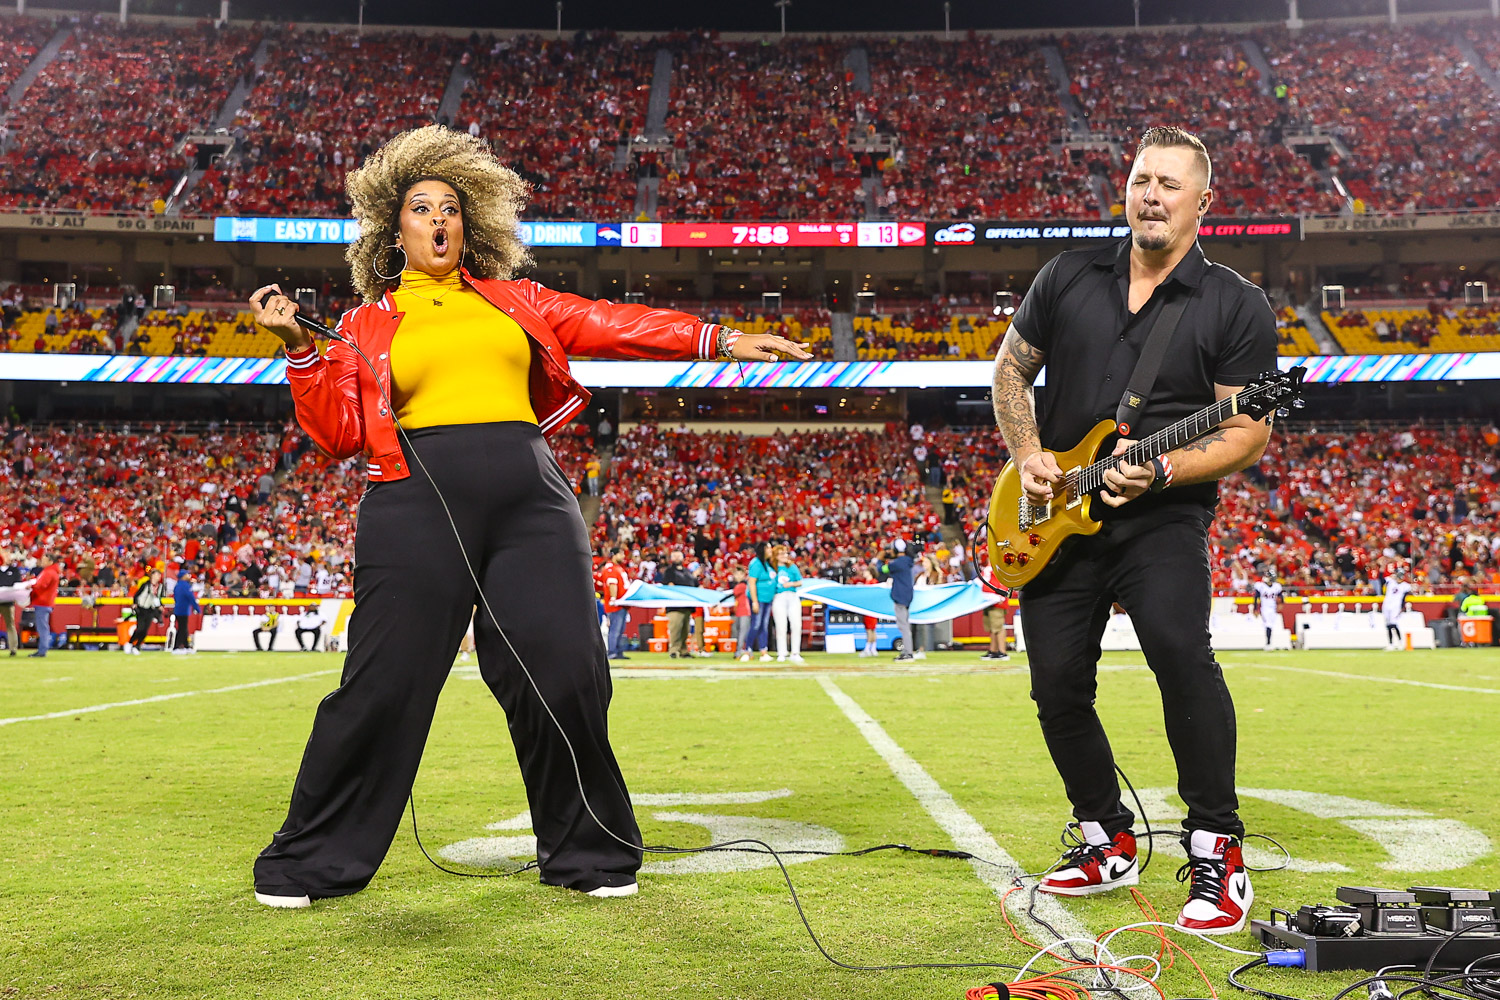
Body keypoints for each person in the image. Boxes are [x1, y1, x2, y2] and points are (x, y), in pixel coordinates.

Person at [247, 125, 811, 908]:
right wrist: (299, 353)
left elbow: (612, 322)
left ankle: (590, 852)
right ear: (393, 228)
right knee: (384, 684)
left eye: (450, 208)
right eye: (421, 208)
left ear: (470, 223)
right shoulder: (359, 327)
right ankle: (310, 862)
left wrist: (715, 336)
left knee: (568, 671)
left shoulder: (519, 301)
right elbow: (341, 433)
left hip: (531, 499)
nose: (438, 220)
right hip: (415, 500)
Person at [991, 126, 1276, 934]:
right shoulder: (1068, 273)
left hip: (1162, 517)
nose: (1151, 194)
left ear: (1203, 203)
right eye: (1141, 179)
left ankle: (1217, 847)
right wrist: (1029, 451)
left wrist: (1163, 469)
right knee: (1055, 688)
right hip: (1053, 515)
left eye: (1170, 184)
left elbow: (1247, 432)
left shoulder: (1235, 303)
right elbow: (1012, 370)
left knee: (1182, 657)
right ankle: (1104, 835)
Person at [770, 545, 805, 664]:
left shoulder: (792, 567)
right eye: (781, 554)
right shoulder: (772, 568)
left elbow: (800, 582)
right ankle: (782, 652)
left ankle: (795, 652)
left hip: (792, 596)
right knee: (781, 626)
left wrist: (791, 584)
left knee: (796, 624)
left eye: (785, 553)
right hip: (778, 597)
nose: (784, 556)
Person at [598, 550, 632, 660]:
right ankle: (612, 652)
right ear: (614, 555)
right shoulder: (610, 568)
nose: (623, 556)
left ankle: (618, 652)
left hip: (621, 604)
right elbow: (612, 584)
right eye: (621, 554)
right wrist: (613, 598)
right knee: (615, 630)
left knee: (620, 630)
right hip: (615, 604)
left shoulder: (618, 567)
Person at [745, 541, 775, 662]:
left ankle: (763, 651)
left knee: (764, 625)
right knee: (756, 624)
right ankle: (747, 650)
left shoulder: (768, 564)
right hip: (759, 599)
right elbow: (752, 583)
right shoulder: (756, 563)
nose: (771, 551)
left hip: (767, 599)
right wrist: (754, 601)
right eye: (768, 549)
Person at [126, 569, 168, 655]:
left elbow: (160, 598)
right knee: (140, 628)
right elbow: (137, 595)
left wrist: (161, 605)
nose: (158, 577)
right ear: (152, 575)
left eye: (159, 575)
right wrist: (135, 604)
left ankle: (137, 646)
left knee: (145, 630)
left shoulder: (160, 586)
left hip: (151, 609)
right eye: (157, 575)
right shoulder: (146, 585)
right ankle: (130, 643)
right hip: (142, 608)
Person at [888, 540, 915, 663]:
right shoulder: (908, 561)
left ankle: (908, 653)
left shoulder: (897, 563)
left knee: (903, 626)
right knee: (905, 625)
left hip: (900, 596)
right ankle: (906, 651)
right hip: (907, 596)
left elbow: (882, 568)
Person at [27, 555, 59, 658]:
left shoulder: (48, 572)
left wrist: (31, 585)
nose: (42, 562)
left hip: (43, 602)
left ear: (50, 561)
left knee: (42, 628)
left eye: (44, 560)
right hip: (45, 603)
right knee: (43, 627)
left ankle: (42, 650)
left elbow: (41, 585)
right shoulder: (51, 572)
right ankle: (42, 649)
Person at [1381, 566, 1413, 651]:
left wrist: (1402, 607)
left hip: (1396, 606)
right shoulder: (1390, 581)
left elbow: (1405, 596)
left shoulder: (1405, 586)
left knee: (1393, 624)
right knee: (1388, 625)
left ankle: (1400, 642)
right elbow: (1382, 578)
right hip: (1387, 605)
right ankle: (1391, 644)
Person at [172, 569, 199, 654]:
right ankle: (176, 647)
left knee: (183, 629)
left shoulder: (177, 585)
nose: (189, 576)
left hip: (178, 609)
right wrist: (197, 608)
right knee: (182, 629)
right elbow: (191, 597)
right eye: (187, 574)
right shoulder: (185, 586)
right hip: (183, 610)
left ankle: (186, 646)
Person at [0, 550, 21, 656]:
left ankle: (13, 648)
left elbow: (17, 584)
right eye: (6, 555)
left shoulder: (14, 570)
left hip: (8, 602)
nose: (8, 557)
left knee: (10, 625)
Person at [1254, 575, 1283, 649]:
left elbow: (1280, 596)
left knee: (1271, 625)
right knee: (1268, 624)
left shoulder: (1276, 586)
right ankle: (1268, 643)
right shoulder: (1261, 586)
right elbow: (1256, 598)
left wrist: (1281, 603)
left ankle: (1269, 643)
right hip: (1265, 608)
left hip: (1273, 608)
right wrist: (1255, 608)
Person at [730, 566, 752, 660]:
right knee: (741, 632)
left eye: (740, 574)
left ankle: (740, 652)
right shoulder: (742, 585)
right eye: (736, 574)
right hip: (739, 611)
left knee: (743, 632)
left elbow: (734, 593)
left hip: (745, 611)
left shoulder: (742, 586)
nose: (738, 576)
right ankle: (745, 651)